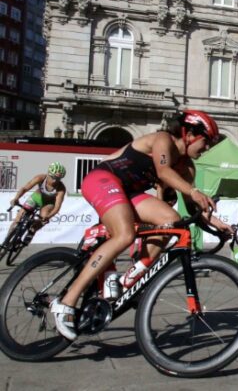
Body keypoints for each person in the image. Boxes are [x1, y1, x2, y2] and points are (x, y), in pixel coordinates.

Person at [51, 110, 226, 341]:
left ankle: (130, 278)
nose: (207, 149)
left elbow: (192, 208)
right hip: (103, 178)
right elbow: (163, 170)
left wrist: (217, 223)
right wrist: (193, 191)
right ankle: (67, 302)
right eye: (206, 142)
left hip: (129, 192)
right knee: (123, 235)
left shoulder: (187, 167)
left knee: (173, 222)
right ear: (190, 134)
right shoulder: (163, 139)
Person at [6, 162, 67, 244]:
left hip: (48, 203)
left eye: (58, 179)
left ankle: (32, 231)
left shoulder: (61, 188)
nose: (55, 180)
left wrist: (48, 217)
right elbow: (25, 188)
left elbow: (57, 206)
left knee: (43, 218)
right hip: (36, 198)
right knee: (18, 218)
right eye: (53, 177)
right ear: (48, 174)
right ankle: (7, 240)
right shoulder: (41, 177)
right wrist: (16, 198)